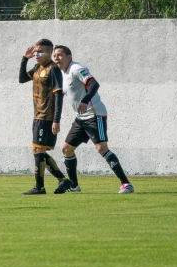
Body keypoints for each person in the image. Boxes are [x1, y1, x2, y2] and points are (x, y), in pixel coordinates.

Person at [52, 46, 134, 194]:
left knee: (101, 149)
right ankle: (74, 186)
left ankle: (126, 184)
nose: (56, 58)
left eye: (60, 55)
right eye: (55, 56)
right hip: (81, 118)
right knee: (66, 149)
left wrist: (85, 100)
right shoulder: (62, 74)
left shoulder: (76, 68)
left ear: (69, 57)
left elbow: (94, 84)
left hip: (95, 114)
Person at [18, 39, 69, 195]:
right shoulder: (37, 67)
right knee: (37, 150)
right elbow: (21, 79)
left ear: (49, 53)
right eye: (35, 52)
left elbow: (59, 95)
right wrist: (24, 59)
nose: (37, 55)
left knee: (38, 150)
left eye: (40, 52)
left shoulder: (53, 69)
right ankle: (63, 180)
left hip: (47, 117)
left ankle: (40, 187)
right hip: (37, 116)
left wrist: (56, 120)